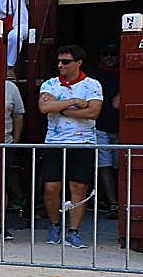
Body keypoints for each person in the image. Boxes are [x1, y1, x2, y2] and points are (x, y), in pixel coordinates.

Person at [38, 44, 104, 249]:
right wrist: (74, 101)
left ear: (78, 63)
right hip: (54, 143)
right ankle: (55, 225)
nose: (60, 65)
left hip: (83, 143)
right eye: (59, 61)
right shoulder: (50, 83)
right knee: (51, 187)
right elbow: (44, 107)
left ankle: (73, 231)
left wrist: (60, 107)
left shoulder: (93, 84)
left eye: (65, 62)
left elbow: (93, 112)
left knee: (79, 187)